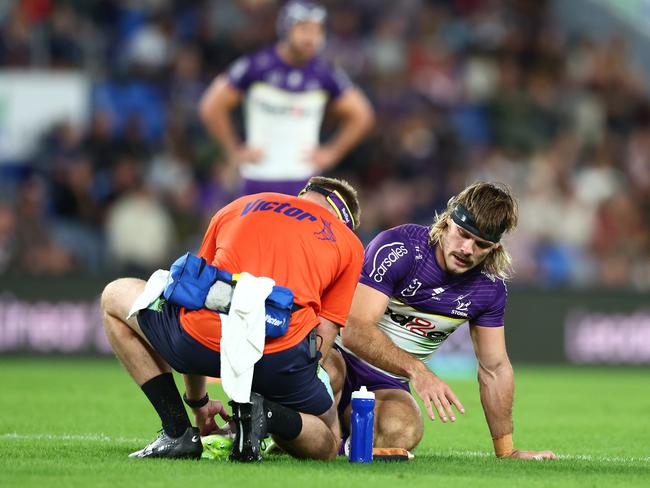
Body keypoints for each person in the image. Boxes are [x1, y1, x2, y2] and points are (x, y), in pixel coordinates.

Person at [101, 176, 363, 461]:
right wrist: (287, 389)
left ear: (304, 195)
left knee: (114, 297)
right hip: (279, 354)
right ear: (343, 219)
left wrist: (199, 402)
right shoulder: (348, 241)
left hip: (200, 340)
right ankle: (268, 415)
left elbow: (194, 294)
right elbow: (326, 329)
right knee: (327, 438)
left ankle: (176, 430)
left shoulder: (238, 206)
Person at [326, 182, 556, 460]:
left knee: (404, 429)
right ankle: (304, 429)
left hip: (386, 382)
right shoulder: (400, 248)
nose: (467, 249)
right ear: (447, 222)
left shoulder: (489, 290)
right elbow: (354, 329)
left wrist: (506, 452)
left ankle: (331, 443)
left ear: (494, 247)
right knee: (331, 373)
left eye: (481, 244)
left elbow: (494, 369)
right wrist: (418, 372)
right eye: (462, 234)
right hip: (335, 355)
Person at [199, 0, 374, 197]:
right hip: (258, 176)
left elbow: (362, 114)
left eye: (317, 31)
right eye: (304, 29)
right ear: (286, 29)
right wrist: (233, 150)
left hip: (304, 179)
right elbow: (212, 105)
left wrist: (332, 153)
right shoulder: (258, 66)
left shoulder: (325, 73)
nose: (311, 38)